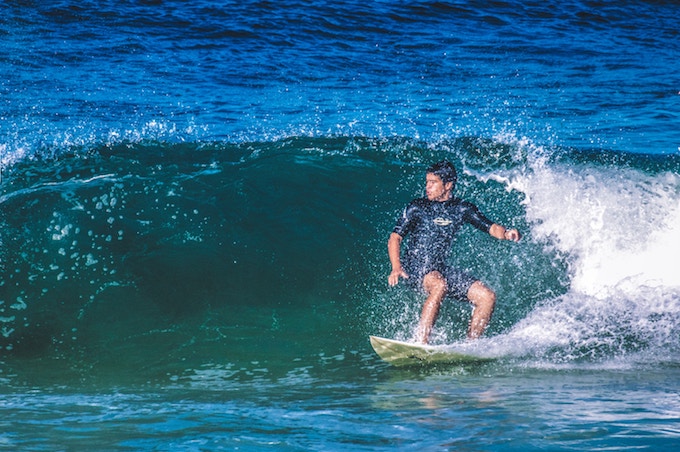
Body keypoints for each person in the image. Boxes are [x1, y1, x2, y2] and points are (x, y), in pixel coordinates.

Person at [388, 160, 521, 344]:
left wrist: (506, 233)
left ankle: (471, 345)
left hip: (438, 269)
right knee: (439, 285)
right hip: (415, 268)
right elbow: (395, 237)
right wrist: (396, 266)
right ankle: (421, 342)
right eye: (427, 182)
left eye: (433, 182)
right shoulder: (417, 207)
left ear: (448, 185)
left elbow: (489, 227)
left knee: (487, 297)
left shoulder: (461, 209)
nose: (427, 187)